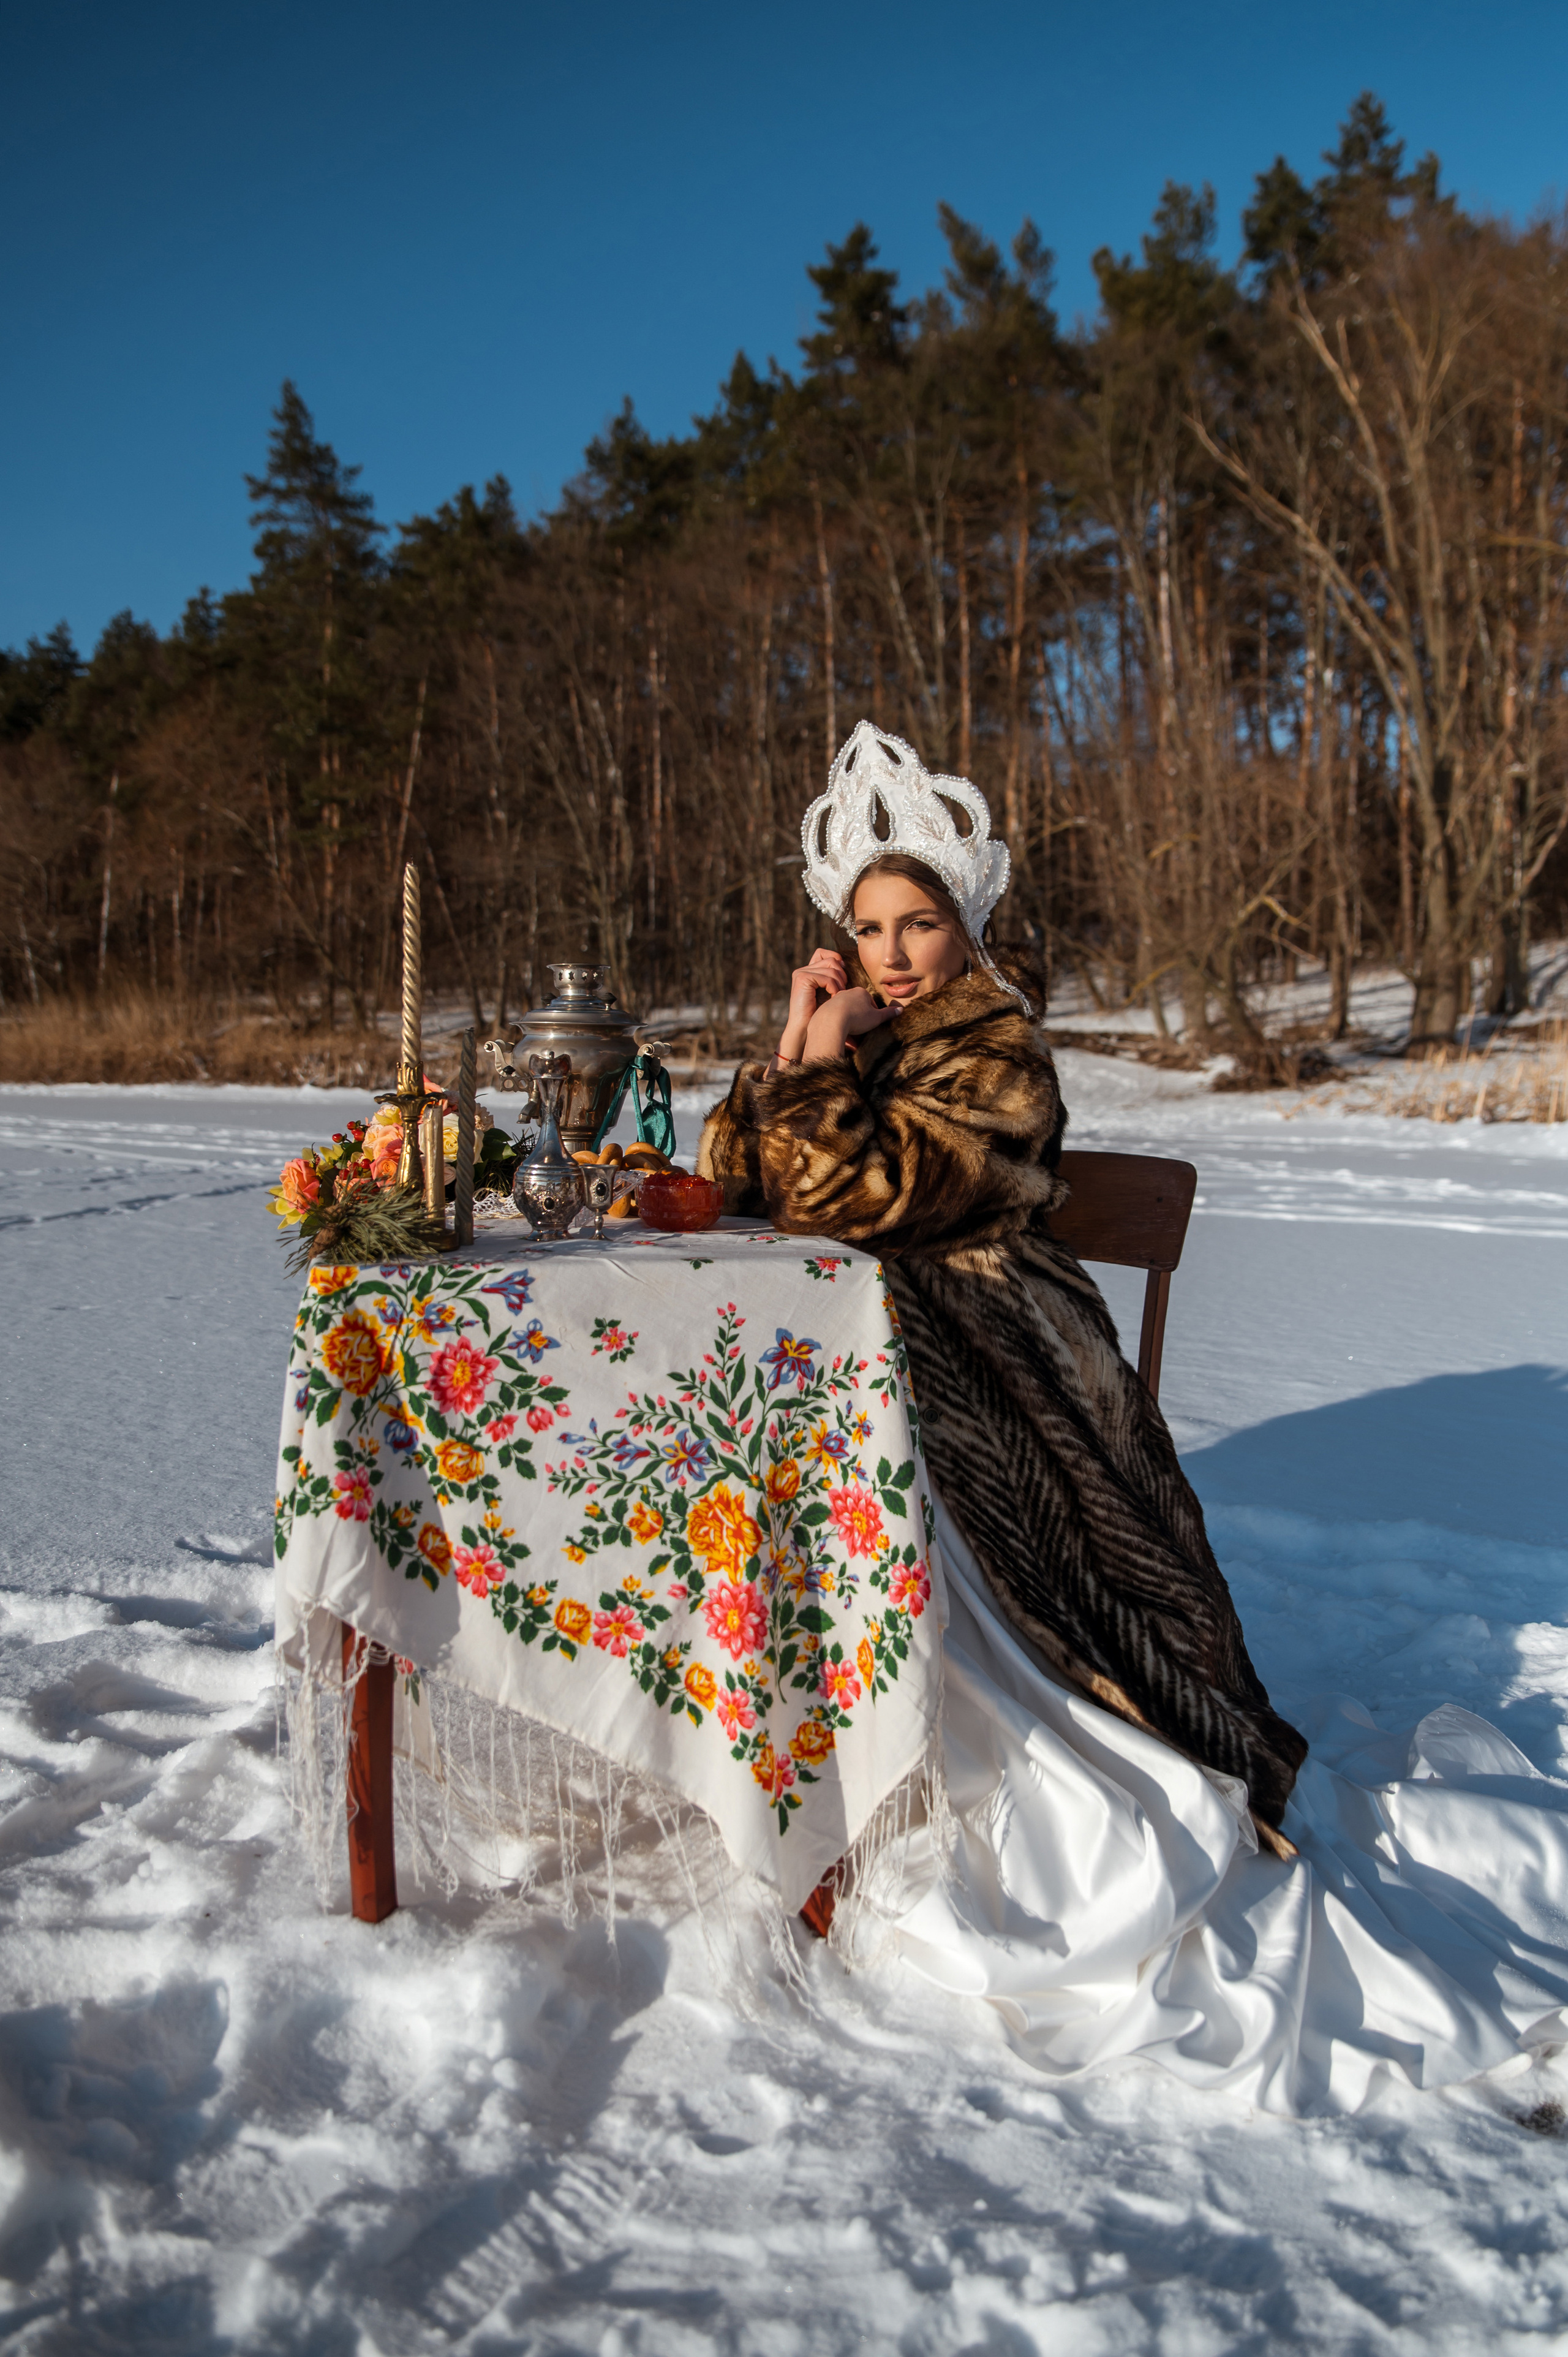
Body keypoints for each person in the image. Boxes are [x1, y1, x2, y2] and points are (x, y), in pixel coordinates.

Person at [698, 722, 1568, 2111]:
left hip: (1008, 1370)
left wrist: (818, 1069)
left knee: (949, 1539)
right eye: (865, 928)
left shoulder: (996, 1049)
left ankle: (965, 1759)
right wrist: (802, 1040)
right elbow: (737, 1182)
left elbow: (848, 1199)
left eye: (917, 921)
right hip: (872, 1361)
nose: (892, 951)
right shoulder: (853, 1039)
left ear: (963, 922)